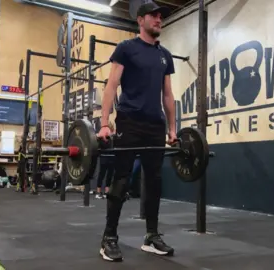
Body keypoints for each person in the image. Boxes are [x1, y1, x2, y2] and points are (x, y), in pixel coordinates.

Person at [97, 2, 177, 262]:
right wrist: (104, 123)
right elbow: (111, 85)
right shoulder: (126, 49)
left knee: (154, 181)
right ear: (140, 20)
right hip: (130, 121)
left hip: (155, 125)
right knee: (121, 179)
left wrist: (173, 128)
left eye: (160, 16)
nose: (159, 19)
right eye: (153, 16)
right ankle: (109, 237)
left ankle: (151, 236)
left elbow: (168, 94)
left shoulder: (165, 55)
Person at [95, 122, 115, 199]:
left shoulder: (112, 137)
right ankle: (98, 192)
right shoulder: (101, 138)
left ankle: (107, 192)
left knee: (109, 175)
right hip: (104, 157)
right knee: (102, 174)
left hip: (112, 158)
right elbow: (100, 146)